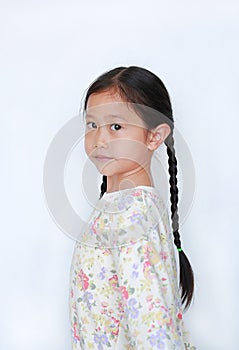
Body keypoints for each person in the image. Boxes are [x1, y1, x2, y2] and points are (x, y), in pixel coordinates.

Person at [69, 66, 196, 349]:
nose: (99, 139)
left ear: (154, 136)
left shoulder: (133, 213)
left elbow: (153, 327)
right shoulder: (117, 207)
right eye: (92, 125)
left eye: (116, 126)